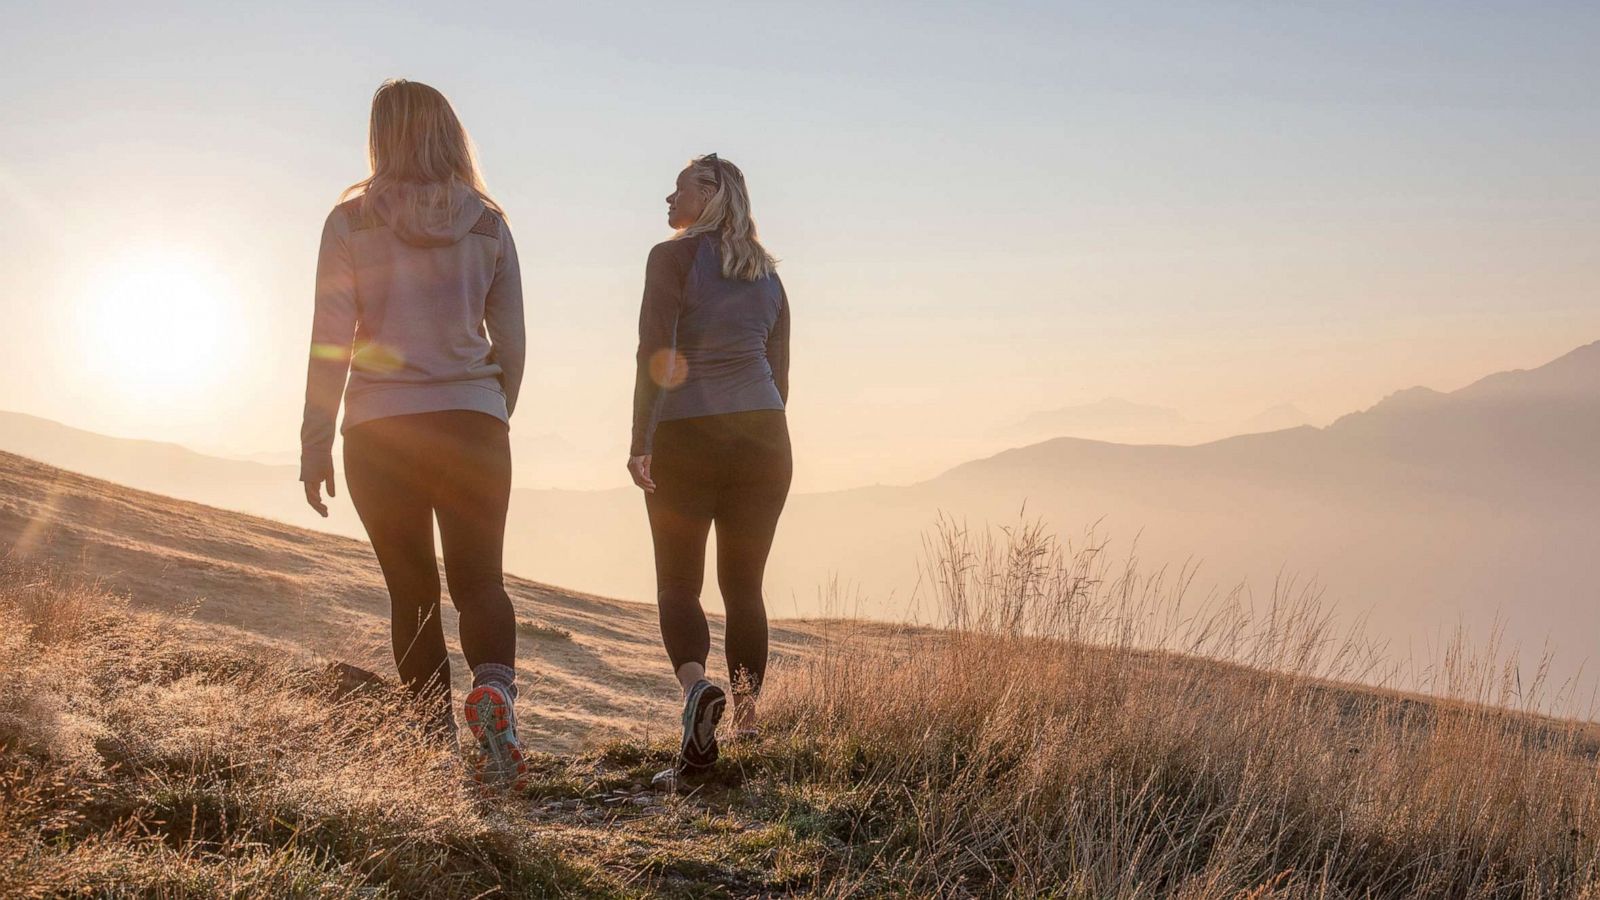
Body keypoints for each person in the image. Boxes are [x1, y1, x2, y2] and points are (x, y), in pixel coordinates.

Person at [298, 79, 528, 788]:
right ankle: (495, 699)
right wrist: (491, 410)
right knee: (481, 581)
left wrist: (315, 439)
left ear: (381, 135)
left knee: (413, 592)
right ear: (450, 133)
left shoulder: (350, 223)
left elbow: (330, 340)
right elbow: (511, 342)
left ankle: (431, 748)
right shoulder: (489, 222)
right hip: (473, 423)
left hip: (378, 430)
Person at [628, 153, 792, 785]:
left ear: (713, 193)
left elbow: (655, 350)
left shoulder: (670, 260)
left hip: (686, 437)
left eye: (678, 190)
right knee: (744, 587)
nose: (667, 200)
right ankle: (747, 721)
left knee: (678, 582)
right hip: (765, 438)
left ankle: (698, 690)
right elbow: (781, 374)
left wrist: (642, 438)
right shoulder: (770, 277)